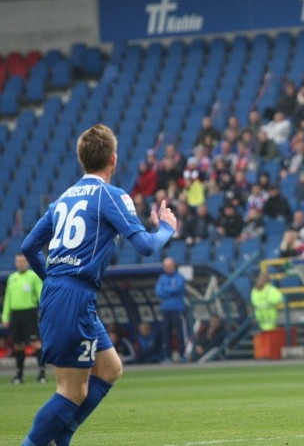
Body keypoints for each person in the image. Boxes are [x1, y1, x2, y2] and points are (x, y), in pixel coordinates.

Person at [18, 123, 176, 446]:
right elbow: (146, 245)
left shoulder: (62, 199)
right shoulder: (111, 196)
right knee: (72, 390)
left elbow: (28, 247)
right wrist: (167, 229)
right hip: (73, 295)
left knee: (111, 368)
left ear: (82, 160)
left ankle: (62, 436)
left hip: (66, 293)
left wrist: (53, 279)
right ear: (113, 160)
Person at [3, 253, 46, 384]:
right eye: (18, 261)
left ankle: (42, 373)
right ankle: (19, 375)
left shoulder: (33, 277)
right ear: (15, 263)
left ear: (27, 262)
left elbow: (40, 294)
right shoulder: (12, 278)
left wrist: (44, 309)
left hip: (29, 313)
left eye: (23, 261)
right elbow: (8, 299)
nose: (20, 263)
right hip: (15, 314)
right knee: (18, 345)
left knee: (35, 343)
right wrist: (5, 316)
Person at [155, 257, 188, 363]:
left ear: (174, 266)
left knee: (180, 333)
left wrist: (166, 290)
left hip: (177, 309)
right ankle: (167, 356)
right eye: (166, 266)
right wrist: (170, 291)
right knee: (166, 333)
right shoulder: (162, 278)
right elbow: (159, 291)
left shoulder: (179, 277)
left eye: (170, 266)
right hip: (165, 310)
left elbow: (178, 289)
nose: (168, 268)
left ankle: (183, 354)